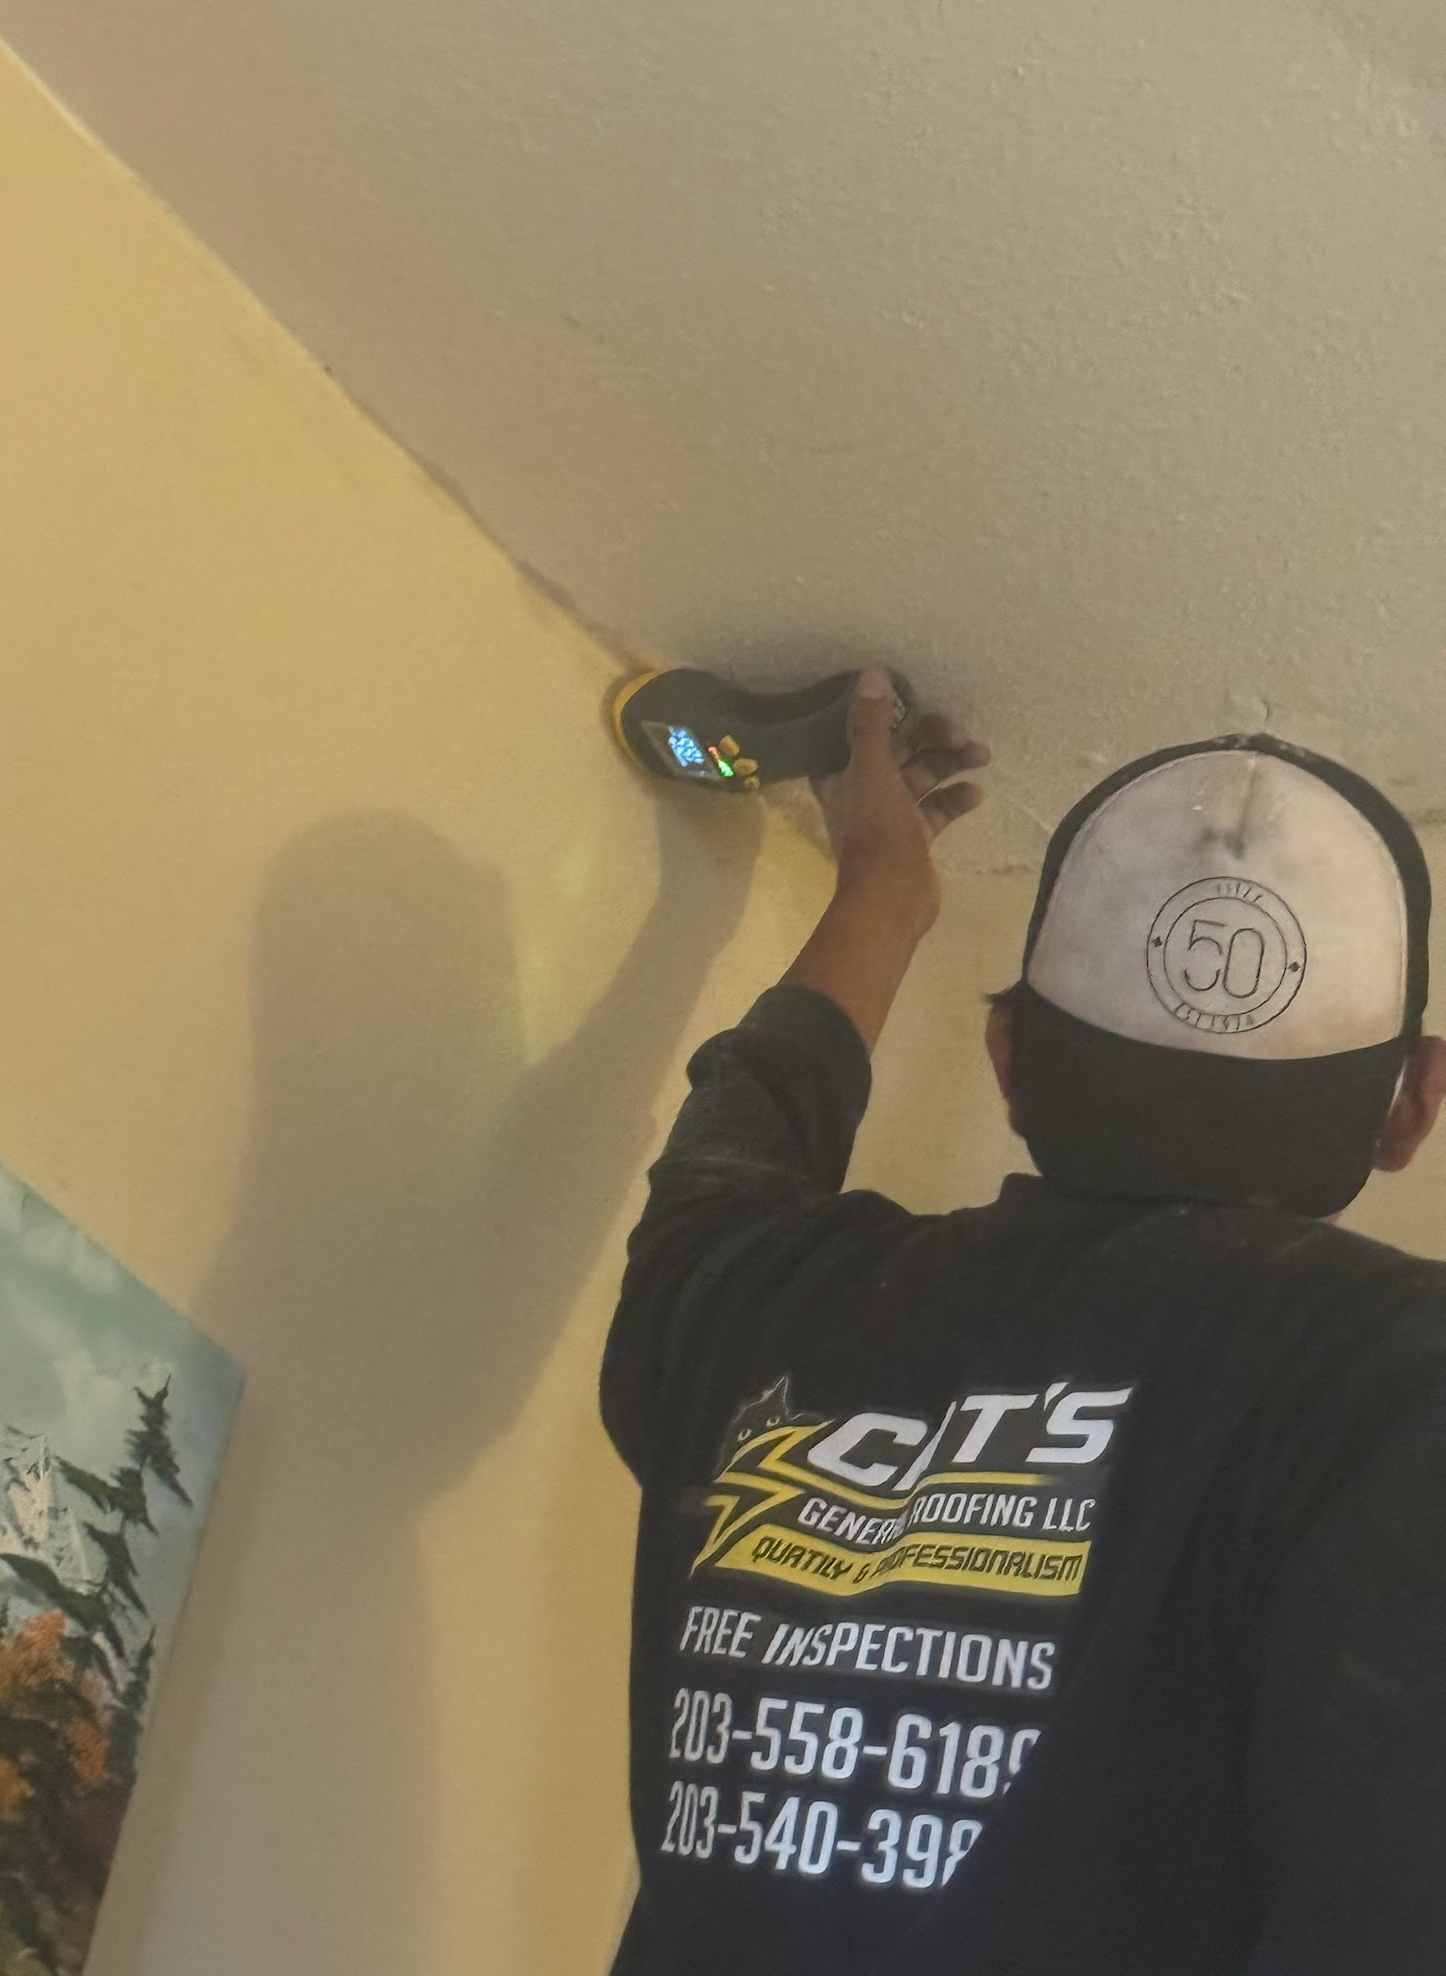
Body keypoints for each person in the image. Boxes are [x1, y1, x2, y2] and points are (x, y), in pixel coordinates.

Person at [600, 670, 1446, 1975]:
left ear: (1005, 1057)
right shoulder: (1396, 1384)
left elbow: (742, 1133)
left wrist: (883, 887)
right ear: (1412, 1108)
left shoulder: (761, 1302)